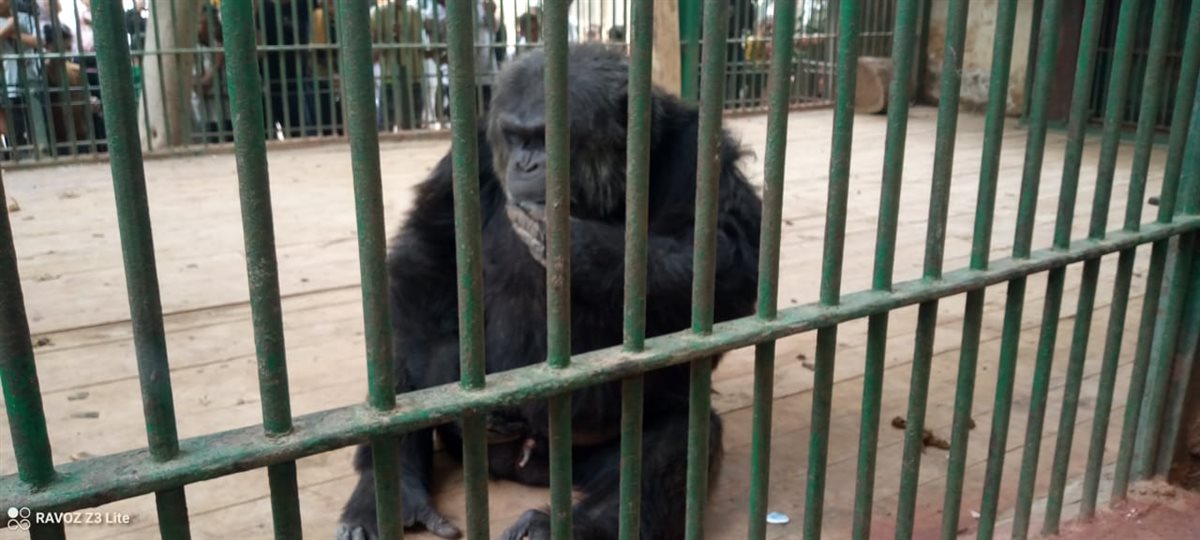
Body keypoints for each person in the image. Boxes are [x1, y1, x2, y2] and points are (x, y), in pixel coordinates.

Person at [260, 0, 316, 138]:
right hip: (268, 82)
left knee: (302, 133)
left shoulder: (302, 5)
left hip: (295, 82)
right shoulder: (264, 8)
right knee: (266, 137)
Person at [0, 0, 48, 158]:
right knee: (14, 125)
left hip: (30, 76)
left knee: (36, 120)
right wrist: (8, 28)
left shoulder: (24, 17)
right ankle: (17, 155)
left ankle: (41, 153)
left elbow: (39, 41)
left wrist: (15, 33)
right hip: (8, 80)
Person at [371, 0, 426, 131]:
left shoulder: (415, 12)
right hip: (389, 76)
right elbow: (373, 50)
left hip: (413, 75)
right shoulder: (378, 13)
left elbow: (419, 44)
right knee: (385, 126)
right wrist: (389, 38)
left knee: (414, 124)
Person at [192, 3, 231, 143]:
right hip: (207, 118)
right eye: (204, 23)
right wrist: (217, 64)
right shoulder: (191, 51)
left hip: (229, 113)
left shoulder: (221, 45)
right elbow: (199, 88)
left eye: (214, 22)